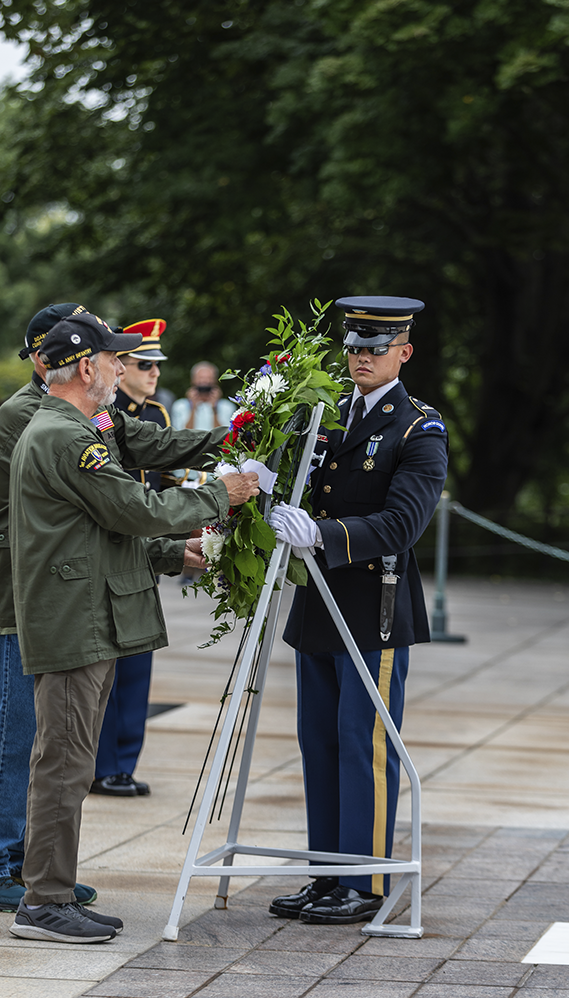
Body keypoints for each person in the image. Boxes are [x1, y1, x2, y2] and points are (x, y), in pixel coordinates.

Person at [7, 312, 259, 943]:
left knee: (71, 760)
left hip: (85, 612)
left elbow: (99, 533)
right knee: (64, 763)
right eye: (114, 359)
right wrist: (220, 495)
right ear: (85, 367)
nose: (122, 368)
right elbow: (132, 509)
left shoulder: (75, 426)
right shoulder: (66, 436)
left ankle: (51, 892)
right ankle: (43, 902)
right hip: (74, 619)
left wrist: (173, 553)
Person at [269, 295, 448, 925]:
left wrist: (320, 534)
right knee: (318, 742)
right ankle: (327, 873)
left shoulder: (418, 429)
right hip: (318, 602)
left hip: (375, 607)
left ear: (404, 352)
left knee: (362, 743)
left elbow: (402, 524)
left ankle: (364, 880)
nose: (361, 358)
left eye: (375, 348)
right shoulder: (326, 415)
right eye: (353, 346)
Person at [0, 303, 103, 914]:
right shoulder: (23, 414)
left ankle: (20, 861)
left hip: (45, 597)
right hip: (22, 599)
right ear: (44, 357)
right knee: (13, 733)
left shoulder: (61, 409)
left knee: (38, 736)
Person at [91, 318, 174, 799]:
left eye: (156, 365)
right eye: (144, 365)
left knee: (139, 662)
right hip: (116, 546)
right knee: (109, 669)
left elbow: (167, 478)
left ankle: (124, 763)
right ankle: (102, 765)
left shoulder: (157, 413)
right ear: (119, 367)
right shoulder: (104, 413)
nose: (153, 373)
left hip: (146, 548)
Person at [171, 361, 235, 431]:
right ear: (192, 381)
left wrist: (214, 408)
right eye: (201, 378)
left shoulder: (227, 406)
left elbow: (223, 434)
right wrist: (193, 407)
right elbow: (183, 433)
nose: (205, 381)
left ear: (215, 381)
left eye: (209, 378)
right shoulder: (180, 406)